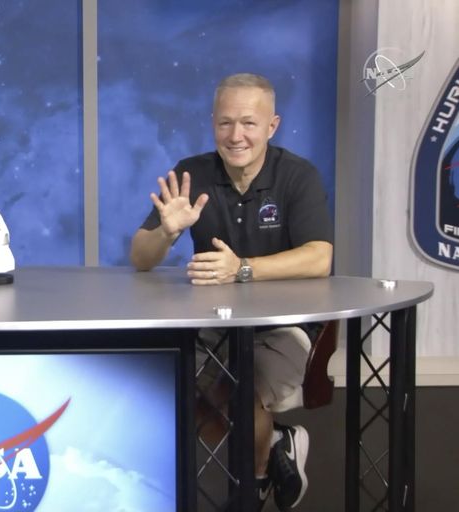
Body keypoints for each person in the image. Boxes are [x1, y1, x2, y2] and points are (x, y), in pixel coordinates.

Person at [129, 73, 333, 511]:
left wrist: (242, 269)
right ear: (212, 123)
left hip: (285, 328)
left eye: (248, 123)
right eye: (225, 123)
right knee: (184, 405)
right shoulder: (192, 173)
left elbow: (320, 258)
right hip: (214, 328)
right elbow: (141, 258)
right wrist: (166, 232)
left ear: (272, 126)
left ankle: (252, 489)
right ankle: (277, 442)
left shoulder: (297, 176)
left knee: (241, 387)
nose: (235, 135)